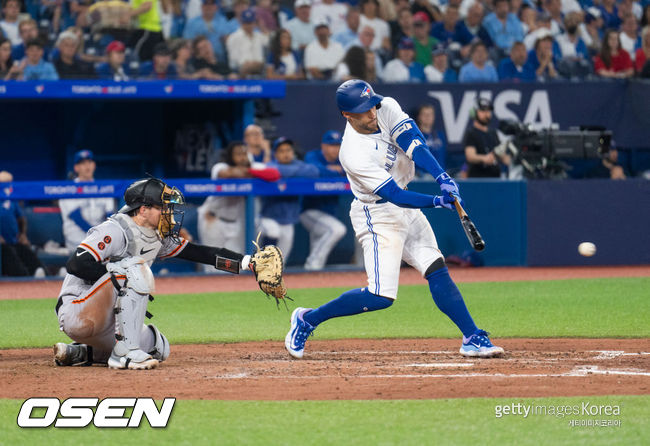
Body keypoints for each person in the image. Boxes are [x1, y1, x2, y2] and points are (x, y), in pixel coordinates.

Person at [284, 80, 504, 360]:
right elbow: (394, 195)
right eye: (364, 110)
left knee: (436, 268)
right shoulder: (352, 153)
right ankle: (308, 319)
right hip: (376, 214)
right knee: (380, 296)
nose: (372, 113)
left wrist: (442, 177)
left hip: (406, 206)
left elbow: (413, 143)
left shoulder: (385, 106)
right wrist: (436, 201)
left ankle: (472, 337)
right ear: (347, 115)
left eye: (372, 105)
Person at [53, 177, 261, 369]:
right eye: (164, 207)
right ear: (143, 209)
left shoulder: (157, 236)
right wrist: (115, 274)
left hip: (106, 322)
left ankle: (82, 352)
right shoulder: (114, 230)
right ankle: (125, 354)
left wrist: (247, 263)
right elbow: (76, 264)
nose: (169, 213)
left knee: (158, 348)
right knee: (133, 270)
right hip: (77, 310)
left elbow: (198, 253)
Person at [198, 141, 280, 255]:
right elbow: (228, 174)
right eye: (238, 154)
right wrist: (252, 173)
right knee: (212, 263)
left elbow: (274, 174)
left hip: (236, 223)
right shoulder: (220, 166)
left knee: (235, 265)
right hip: (213, 219)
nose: (242, 157)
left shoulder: (253, 167)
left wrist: (250, 171)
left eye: (245, 153)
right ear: (230, 156)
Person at [258, 137, 319, 264]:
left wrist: (288, 171)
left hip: (288, 220)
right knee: (271, 235)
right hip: (267, 217)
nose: (286, 154)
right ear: (275, 154)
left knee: (281, 262)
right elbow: (273, 171)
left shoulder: (298, 165)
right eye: (281, 151)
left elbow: (313, 172)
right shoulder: (270, 166)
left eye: (288, 150)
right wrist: (295, 171)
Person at [300, 130, 347, 270]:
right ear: (323, 146)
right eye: (331, 145)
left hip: (329, 212)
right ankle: (311, 267)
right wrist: (336, 171)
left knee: (320, 240)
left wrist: (338, 170)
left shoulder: (343, 158)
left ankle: (313, 277)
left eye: (338, 145)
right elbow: (314, 171)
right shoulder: (312, 156)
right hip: (309, 211)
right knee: (336, 230)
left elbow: (352, 170)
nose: (335, 149)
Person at [58, 150, 115, 254]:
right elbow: (77, 218)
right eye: (83, 163)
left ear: (94, 165)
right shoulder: (68, 189)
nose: (87, 166)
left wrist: (107, 235)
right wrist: (99, 236)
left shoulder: (104, 188)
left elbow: (110, 216)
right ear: (76, 168)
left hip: (99, 239)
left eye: (89, 162)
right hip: (77, 239)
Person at [0, 170, 46, 277]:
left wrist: (23, 234)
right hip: (2, 245)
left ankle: (42, 272)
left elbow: (22, 219)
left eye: (9, 182)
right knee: (8, 252)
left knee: (24, 250)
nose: (7, 186)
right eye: (4, 183)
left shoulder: (11, 199)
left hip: (13, 241)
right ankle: (24, 278)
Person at [463, 97, 510, 178]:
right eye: (483, 111)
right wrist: (484, 158)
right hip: (479, 181)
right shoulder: (471, 133)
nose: (486, 114)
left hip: (495, 179)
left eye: (488, 111)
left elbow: (502, 155)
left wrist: (513, 161)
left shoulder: (493, 133)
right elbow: (470, 156)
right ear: (474, 113)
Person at [226, 8, 268, 77]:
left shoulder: (259, 36)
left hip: (259, 70)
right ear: (241, 22)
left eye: (251, 23)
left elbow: (271, 42)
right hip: (240, 72)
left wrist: (262, 27)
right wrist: (248, 65)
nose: (249, 25)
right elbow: (233, 61)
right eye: (246, 23)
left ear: (254, 23)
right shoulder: (233, 37)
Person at [414, 104, 446, 172]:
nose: (427, 117)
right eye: (424, 114)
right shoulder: (415, 136)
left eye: (430, 114)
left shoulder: (440, 136)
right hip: (421, 175)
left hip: (439, 174)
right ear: (419, 117)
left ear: (433, 117)